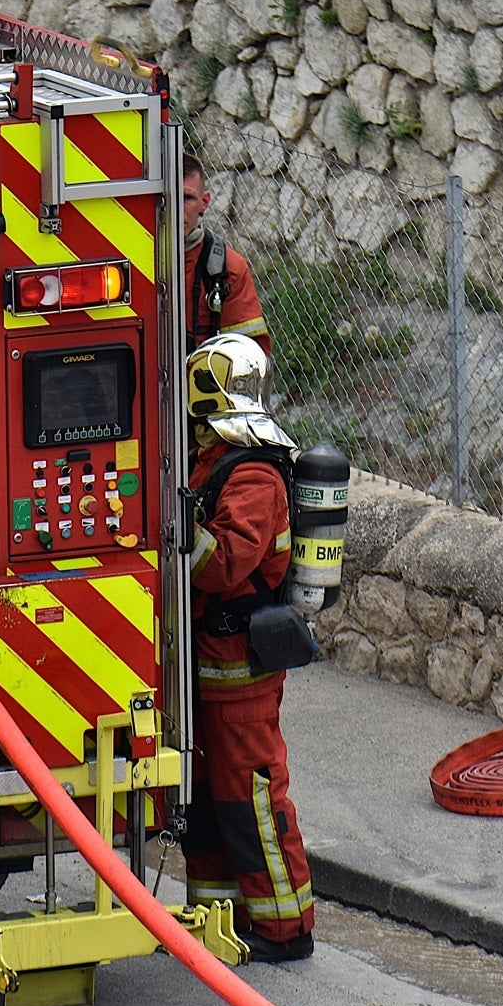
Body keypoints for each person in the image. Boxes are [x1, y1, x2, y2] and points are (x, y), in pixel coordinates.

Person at [179, 333, 314, 963]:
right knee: (207, 799)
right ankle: (216, 921)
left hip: (239, 669)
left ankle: (285, 930)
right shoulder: (212, 463)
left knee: (252, 797)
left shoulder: (254, 474)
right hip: (207, 667)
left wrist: (176, 524)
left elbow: (224, 565)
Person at [181, 154, 271, 356]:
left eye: (187, 198)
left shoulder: (228, 269)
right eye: (167, 198)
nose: (176, 209)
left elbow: (250, 358)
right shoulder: (132, 261)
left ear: (204, 202)